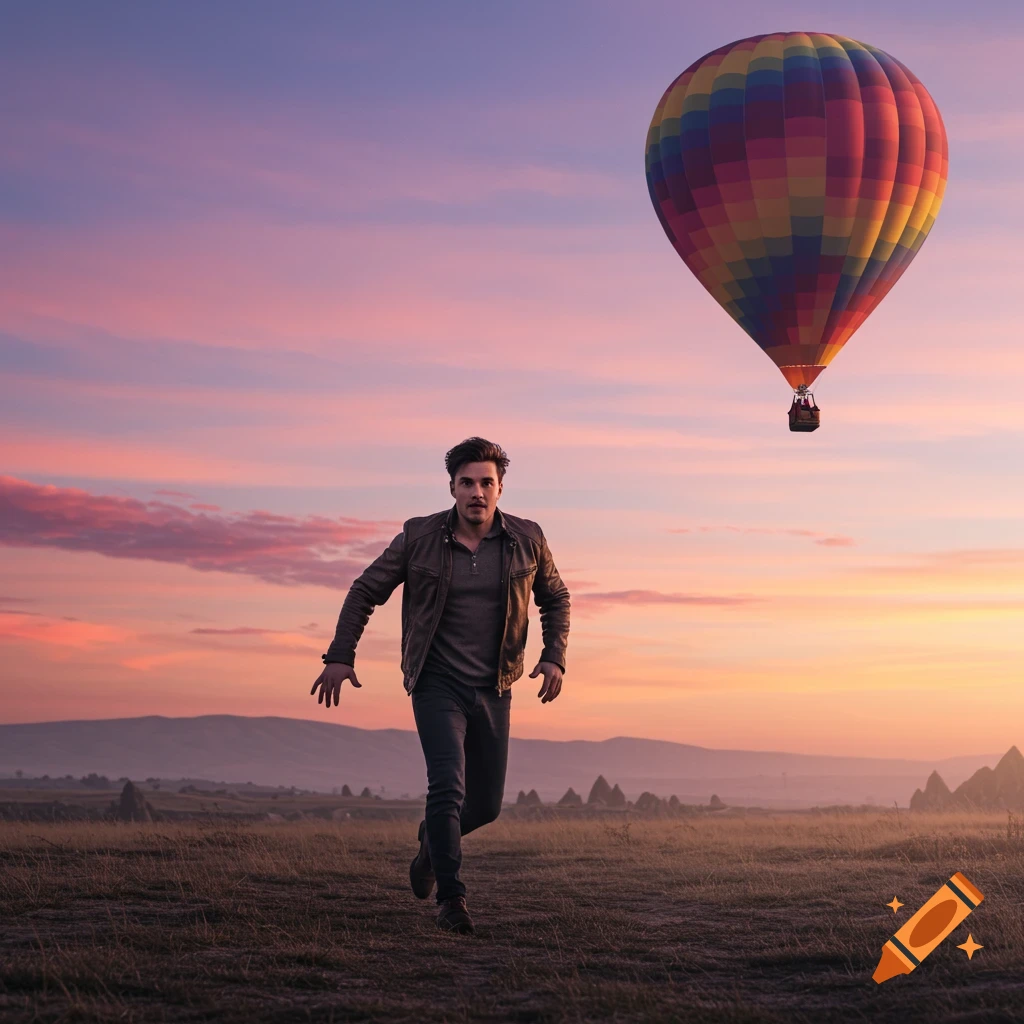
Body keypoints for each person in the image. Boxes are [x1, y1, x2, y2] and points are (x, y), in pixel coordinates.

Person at [310, 437, 571, 934]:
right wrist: (341, 655)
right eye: (467, 482)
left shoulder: (527, 538)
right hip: (436, 682)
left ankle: (432, 842)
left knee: (487, 805)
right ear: (451, 487)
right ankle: (452, 900)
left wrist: (554, 657)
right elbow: (365, 589)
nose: (477, 492)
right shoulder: (418, 536)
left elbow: (555, 598)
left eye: (486, 483)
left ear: (500, 488)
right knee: (447, 785)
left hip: (495, 686)